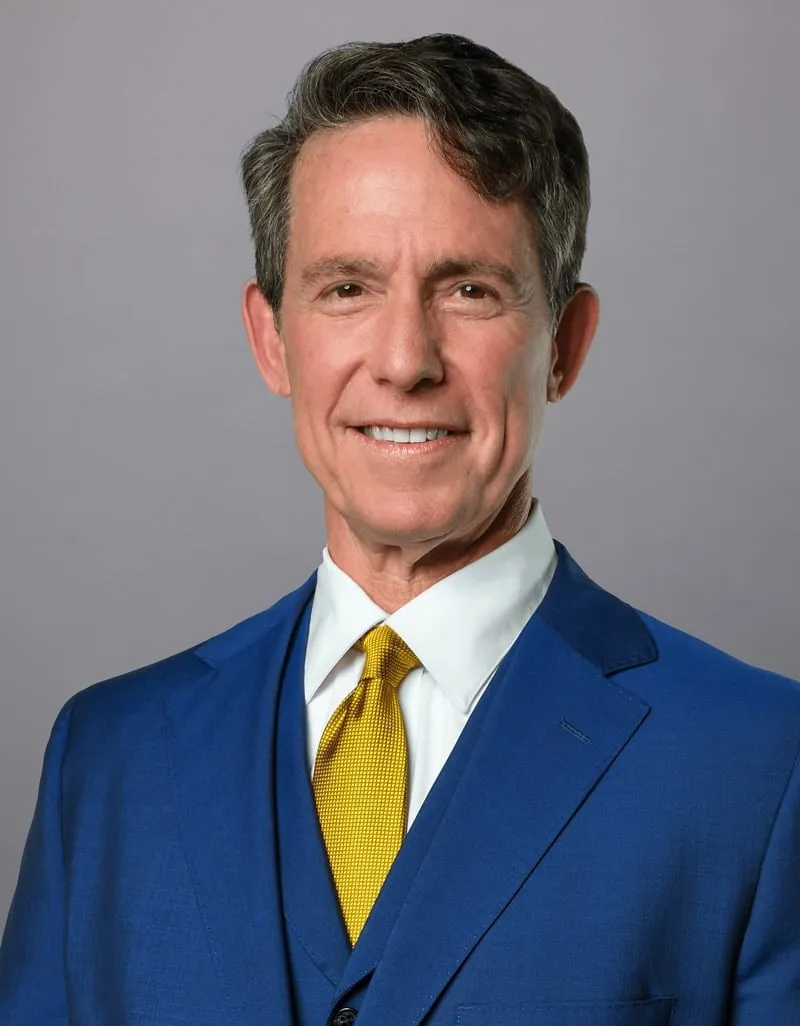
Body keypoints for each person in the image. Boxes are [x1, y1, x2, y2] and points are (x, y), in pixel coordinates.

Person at [1, 32, 798, 1026]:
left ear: (566, 344)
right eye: (346, 288)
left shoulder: (763, 769)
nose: (404, 358)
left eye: (468, 288)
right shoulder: (106, 761)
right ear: (270, 337)